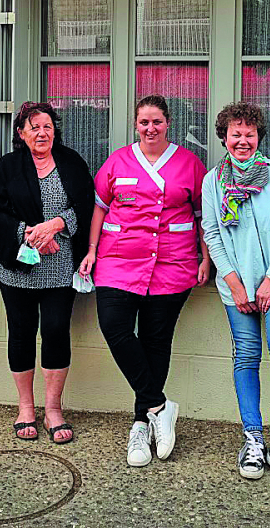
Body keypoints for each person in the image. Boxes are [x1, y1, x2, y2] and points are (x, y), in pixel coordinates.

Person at [79, 94, 210, 467]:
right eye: (143, 123)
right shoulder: (118, 160)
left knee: (156, 343)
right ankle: (159, 406)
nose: (150, 128)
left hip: (173, 265)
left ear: (168, 123)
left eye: (157, 121)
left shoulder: (189, 164)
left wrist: (206, 259)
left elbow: (203, 215)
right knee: (115, 328)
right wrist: (90, 250)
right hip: (117, 262)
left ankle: (141, 423)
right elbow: (100, 208)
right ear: (135, 125)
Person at [201, 102, 270, 480]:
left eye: (249, 133)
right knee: (246, 355)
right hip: (236, 284)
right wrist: (233, 282)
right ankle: (253, 437)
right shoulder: (213, 182)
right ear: (224, 138)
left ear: (259, 137)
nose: (242, 140)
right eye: (235, 134)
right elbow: (212, 234)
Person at [0, 102, 94, 444]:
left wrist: (57, 225)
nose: (42, 133)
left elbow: (86, 205)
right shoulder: (8, 166)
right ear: (21, 133)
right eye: (34, 127)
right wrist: (31, 234)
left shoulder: (71, 162)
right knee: (20, 332)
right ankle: (25, 408)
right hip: (17, 265)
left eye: (47, 126)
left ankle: (53, 409)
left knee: (55, 330)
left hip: (61, 266)